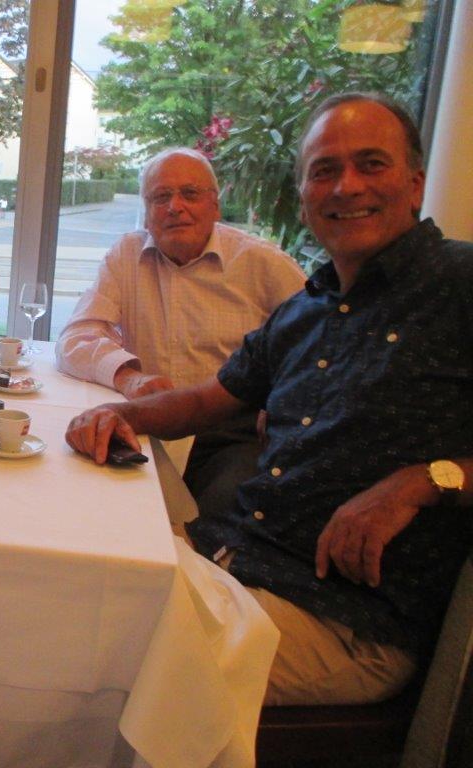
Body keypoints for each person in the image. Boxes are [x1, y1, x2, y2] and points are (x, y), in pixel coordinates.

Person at [66, 93, 473, 705]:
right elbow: (206, 400)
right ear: (305, 197)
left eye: (371, 164)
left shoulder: (460, 284)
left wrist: (422, 481)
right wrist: (118, 411)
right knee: (66, 573)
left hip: (345, 621)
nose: (347, 186)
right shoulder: (308, 309)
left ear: (415, 184)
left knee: (90, 652)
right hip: (235, 562)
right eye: (325, 171)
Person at [56, 148, 305, 514]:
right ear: (146, 211)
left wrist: (281, 405)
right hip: (148, 422)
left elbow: (317, 349)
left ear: (215, 206)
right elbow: (77, 337)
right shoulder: (127, 255)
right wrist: (128, 377)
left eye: (190, 194)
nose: (175, 207)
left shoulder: (264, 265)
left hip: (230, 433)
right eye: (161, 197)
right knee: (86, 500)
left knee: (221, 513)